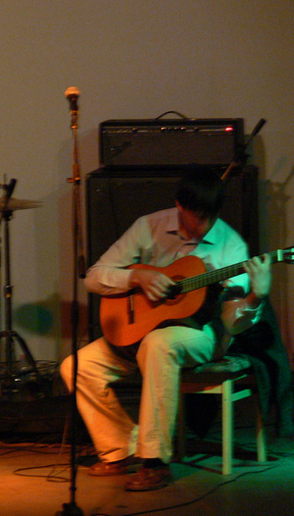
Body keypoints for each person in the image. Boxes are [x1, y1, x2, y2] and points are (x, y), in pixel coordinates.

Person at [60, 164, 271, 491]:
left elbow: (233, 323)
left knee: (159, 343)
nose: (204, 226)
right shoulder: (149, 226)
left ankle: (155, 461)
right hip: (139, 330)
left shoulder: (231, 247)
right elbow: (94, 277)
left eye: (210, 218)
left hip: (203, 333)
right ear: (179, 206)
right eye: (197, 217)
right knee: (77, 367)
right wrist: (136, 277)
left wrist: (256, 296)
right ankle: (120, 448)